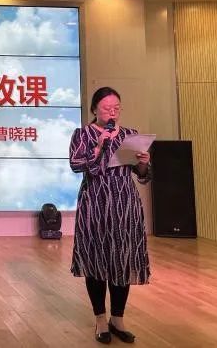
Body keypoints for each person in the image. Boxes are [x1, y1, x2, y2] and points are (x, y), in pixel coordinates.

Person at [69, 87, 152, 344]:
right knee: (96, 260)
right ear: (95, 109)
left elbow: (142, 175)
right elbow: (76, 165)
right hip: (95, 204)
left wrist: (143, 163)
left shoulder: (129, 135)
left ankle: (118, 319)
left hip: (125, 205)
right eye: (107, 108)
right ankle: (101, 320)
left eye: (116, 108)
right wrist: (98, 147)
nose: (112, 112)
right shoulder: (83, 134)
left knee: (122, 259)